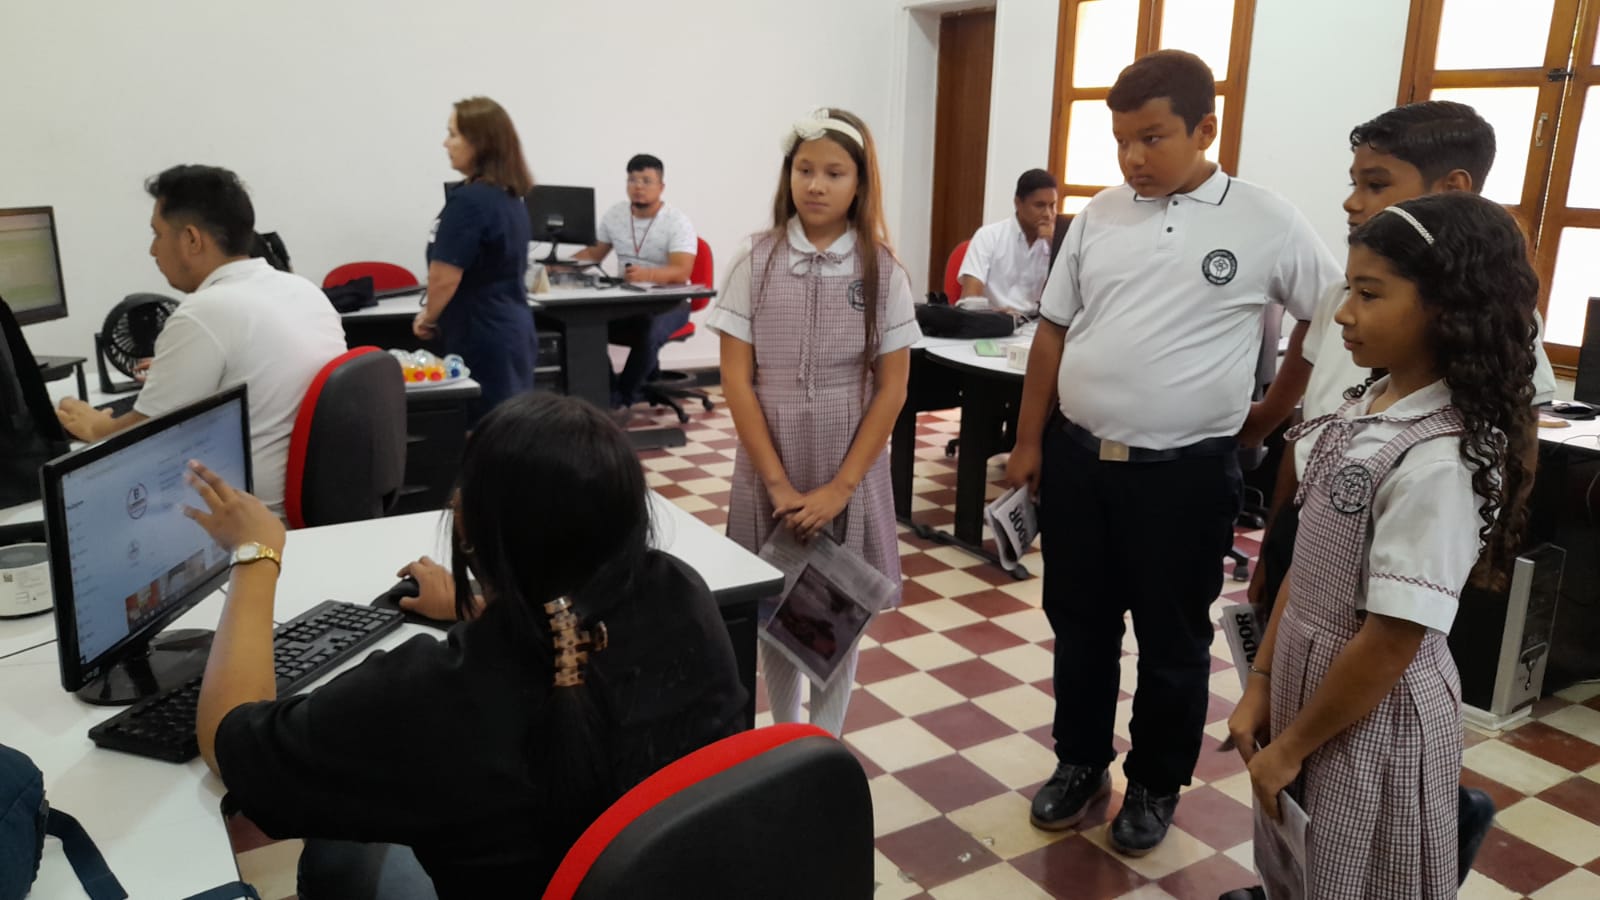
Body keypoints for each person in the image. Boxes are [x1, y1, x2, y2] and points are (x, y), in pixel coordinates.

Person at [188, 392, 747, 898]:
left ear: (468, 530)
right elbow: (567, 635)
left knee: (341, 852)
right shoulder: (680, 593)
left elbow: (227, 742)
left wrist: (256, 554)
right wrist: (477, 606)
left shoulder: (433, 697)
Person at [1004, 50, 1340, 854]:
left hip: (1184, 478)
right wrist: (1027, 440)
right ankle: (1081, 762)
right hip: (1081, 462)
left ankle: (1155, 783)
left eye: (1151, 138)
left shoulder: (1265, 219)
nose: (1132, 157)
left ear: (1205, 129)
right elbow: (1052, 331)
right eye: (1121, 140)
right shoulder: (1098, 216)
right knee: (1079, 627)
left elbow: (1326, 316)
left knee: (1172, 643)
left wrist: (1268, 416)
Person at [1227, 192, 1538, 898]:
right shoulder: (1368, 406)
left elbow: (1391, 641)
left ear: (1447, 309)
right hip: (1309, 688)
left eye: (1369, 294)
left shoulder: (1438, 461)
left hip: (1370, 716)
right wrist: (1263, 682)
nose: (1343, 312)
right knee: (1297, 858)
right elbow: (1309, 567)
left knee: (1359, 873)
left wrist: (1291, 747)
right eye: (1348, 289)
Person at [706, 107, 919, 737]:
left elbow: (892, 388)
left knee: (835, 611)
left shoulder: (882, 269)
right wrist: (776, 485)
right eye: (804, 169)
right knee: (773, 607)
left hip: (845, 462)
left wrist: (840, 489)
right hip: (770, 460)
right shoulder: (754, 259)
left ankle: (824, 749)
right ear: (788, 174)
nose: (816, 185)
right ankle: (785, 741)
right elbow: (736, 380)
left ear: (860, 183)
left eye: (834, 172)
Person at [55, 165, 345, 517]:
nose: (152, 250)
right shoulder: (302, 290)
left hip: (248, 519)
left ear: (192, 239)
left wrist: (97, 426)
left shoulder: (203, 313)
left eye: (157, 234)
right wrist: (175, 370)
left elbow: (140, 438)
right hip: (313, 503)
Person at [413, 96, 536, 424]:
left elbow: (444, 276)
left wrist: (428, 318)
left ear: (480, 142)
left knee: (486, 431)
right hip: (509, 329)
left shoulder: (469, 201)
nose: (446, 143)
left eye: (453, 134)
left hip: (481, 334)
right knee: (509, 428)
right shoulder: (508, 197)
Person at [573, 154, 699, 410]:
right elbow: (593, 254)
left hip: (671, 302)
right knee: (586, 327)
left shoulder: (677, 222)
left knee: (649, 332)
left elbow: (681, 271)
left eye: (646, 181)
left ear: (661, 187)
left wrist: (648, 275)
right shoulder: (616, 215)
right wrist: (555, 266)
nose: (638, 186)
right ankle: (608, 393)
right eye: (632, 180)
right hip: (628, 299)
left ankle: (623, 398)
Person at [956, 168, 1059, 316]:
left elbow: (1067, 297)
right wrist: (998, 315)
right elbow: (970, 300)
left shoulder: (1054, 243)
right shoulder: (988, 236)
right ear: (1018, 203)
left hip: (1036, 323)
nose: (1048, 214)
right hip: (994, 320)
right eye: (1039, 205)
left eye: (1052, 205)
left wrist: (1054, 245)